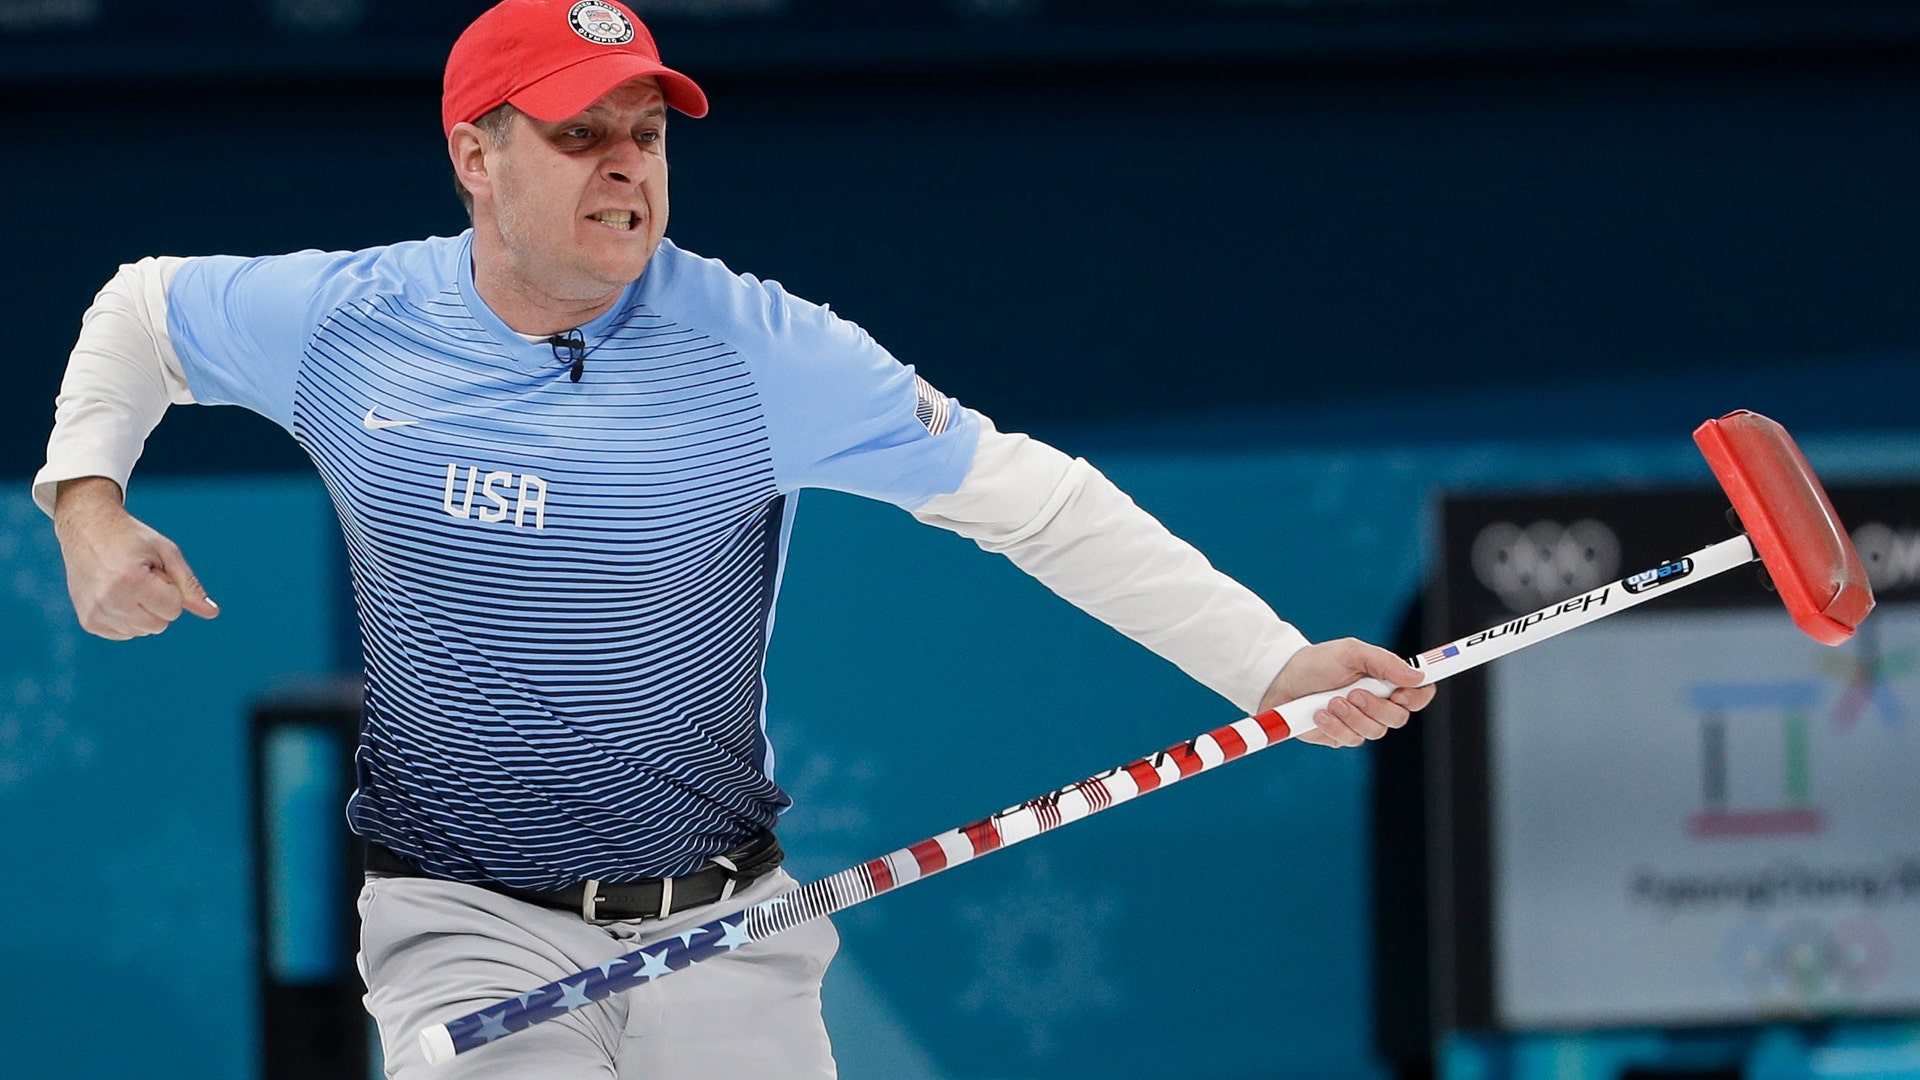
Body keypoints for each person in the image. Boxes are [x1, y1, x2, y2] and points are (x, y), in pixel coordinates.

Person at [36, 1, 1435, 1076]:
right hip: (461, 925)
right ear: (476, 153)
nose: (626, 166)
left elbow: (1040, 505)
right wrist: (86, 504)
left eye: (646, 133)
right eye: (580, 135)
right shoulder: (349, 323)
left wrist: (1272, 665)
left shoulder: (762, 350)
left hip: (727, 929)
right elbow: (140, 311)